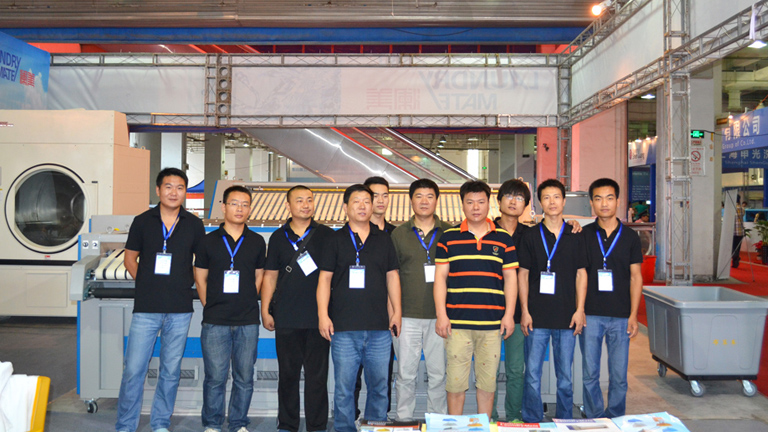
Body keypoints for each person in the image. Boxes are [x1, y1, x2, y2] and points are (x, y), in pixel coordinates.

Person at [116, 167, 205, 432]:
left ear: (185, 192)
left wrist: (187, 282)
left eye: (180, 188)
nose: (174, 192)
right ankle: (125, 425)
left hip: (180, 309)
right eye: (168, 187)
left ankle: (160, 423)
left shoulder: (194, 224)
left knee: (170, 370)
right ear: (158, 190)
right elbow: (129, 259)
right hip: (146, 308)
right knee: (134, 370)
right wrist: (147, 284)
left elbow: (201, 264)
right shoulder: (142, 221)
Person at [317, 184, 402, 432]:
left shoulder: (384, 239)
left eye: (367, 201)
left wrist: (396, 311)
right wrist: (323, 315)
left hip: (379, 329)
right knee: (344, 389)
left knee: (379, 387)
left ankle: (375, 427)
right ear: (346, 207)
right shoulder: (334, 240)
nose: (363, 206)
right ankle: (344, 428)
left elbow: (392, 277)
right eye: (357, 201)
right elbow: (324, 280)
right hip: (343, 328)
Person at [434, 180, 518, 418]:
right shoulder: (448, 238)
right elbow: (440, 279)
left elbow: (510, 279)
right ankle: (454, 427)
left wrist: (509, 315)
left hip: (491, 326)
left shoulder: (503, 239)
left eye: (481, 202)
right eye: (470, 202)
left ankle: (482, 425)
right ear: (462, 205)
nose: (475, 207)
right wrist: (441, 315)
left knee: (487, 386)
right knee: (455, 385)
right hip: (457, 325)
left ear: (489, 204)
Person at [261, 186, 334, 432]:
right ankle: (287, 424)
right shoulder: (278, 237)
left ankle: (317, 426)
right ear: (288, 205)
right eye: (299, 200)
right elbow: (270, 276)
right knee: (288, 376)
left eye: (309, 200)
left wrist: (327, 315)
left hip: (318, 319)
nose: (305, 205)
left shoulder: (326, 235)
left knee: (317, 378)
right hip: (286, 317)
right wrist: (265, 310)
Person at [194, 185, 266, 432]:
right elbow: (200, 279)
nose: (240, 209)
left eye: (245, 204)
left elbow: (259, 276)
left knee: (244, 377)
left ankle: (238, 423)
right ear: (223, 207)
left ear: (250, 209)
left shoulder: (257, 241)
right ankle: (212, 424)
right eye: (234, 203)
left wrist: (246, 300)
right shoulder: (207, 241)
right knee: (215, 377)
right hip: (215, 320)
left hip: (247, 320)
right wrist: (211, 306)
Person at [517, 179, 587, 422]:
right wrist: (524, 310)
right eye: (546, 197)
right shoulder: (530, 235)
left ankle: (565, 420)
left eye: (556, 197)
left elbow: (581, 274)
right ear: (540, 203)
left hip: (567, 317)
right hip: (536, 317)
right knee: (532, 375)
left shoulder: (575, 234)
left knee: (565, 377)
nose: (552, 202)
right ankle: (532, 419)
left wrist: (580, 310)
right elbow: (523, 275)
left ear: (564, 201)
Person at [580, 178, 644, 419]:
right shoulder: (583, 235)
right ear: (591, 203)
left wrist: (633, 315)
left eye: (609, 198)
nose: (604, 204)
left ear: (618, 201)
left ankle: (616, 416)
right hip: (591, 314)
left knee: (618, 375)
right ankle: (595, 416)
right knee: (590, 373)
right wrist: (579, 310)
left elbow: (636, 277)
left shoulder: (630, 237)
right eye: (598, 199)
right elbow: (579, 275)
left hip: (620, 316)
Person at [390, 179, 452, 420]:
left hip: (440, 317)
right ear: (411, 200)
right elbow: (391, 276)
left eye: (429, 196)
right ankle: (404, 419)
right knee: (405, 374)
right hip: (406, 316)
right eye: (419, 196)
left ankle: (438, 420)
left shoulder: (450, 232)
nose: (424, 201)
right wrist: (393, 313)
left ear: (437, 200)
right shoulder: (398, 234)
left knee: (438, 375)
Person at [733, 196, 746, 268]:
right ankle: (736, 259)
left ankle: (735, 257)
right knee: (737, 247)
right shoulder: (742, 209)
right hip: (740, 231)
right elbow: (743, 214)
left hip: (732, 232)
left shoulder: (731, 209)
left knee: (732, 247)